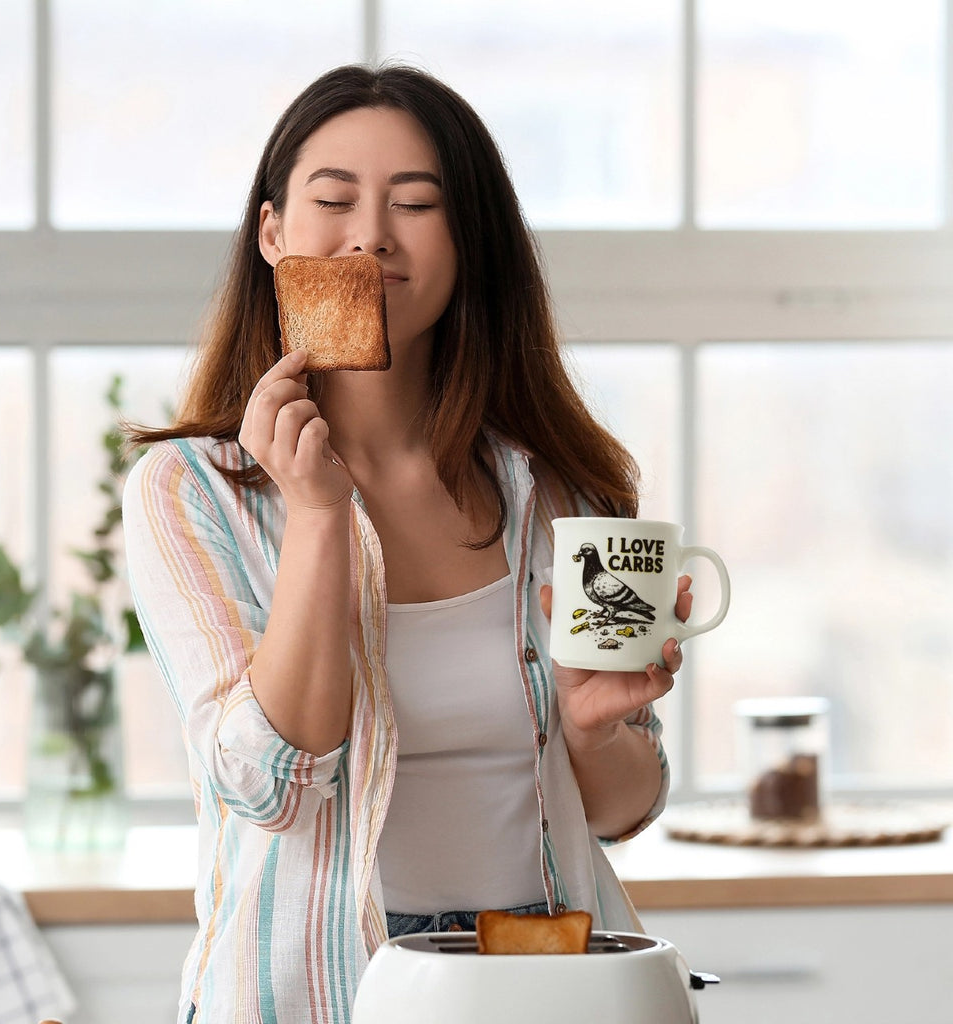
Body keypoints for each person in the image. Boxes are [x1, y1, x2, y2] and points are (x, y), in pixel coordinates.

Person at [122, 62, 692, 1024]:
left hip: (554, 986)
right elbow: (269, 790)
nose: (372, 234)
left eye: (417, 204)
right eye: (332, 199)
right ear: (273, 233)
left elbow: (622, 809)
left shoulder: (561, 486)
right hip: (316, 995)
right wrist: (315, 515)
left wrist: (595, 729)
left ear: (468, 241)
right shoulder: (192, 493)